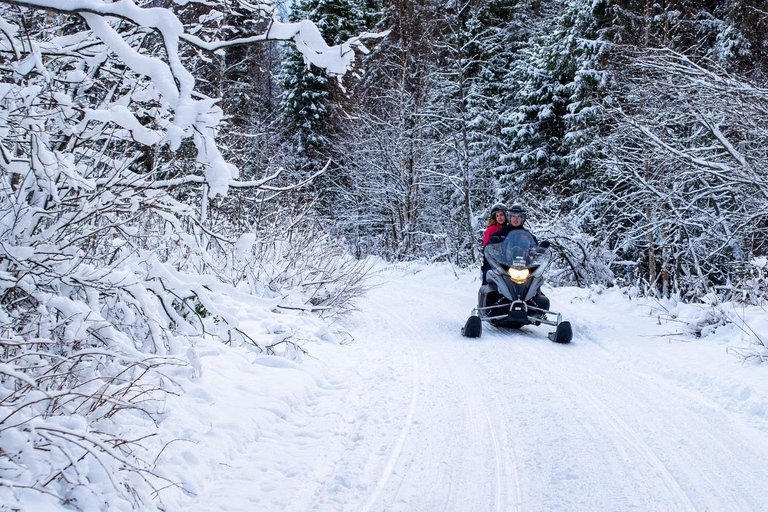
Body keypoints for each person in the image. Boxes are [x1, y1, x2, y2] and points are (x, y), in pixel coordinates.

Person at [484, 203, 550, 312]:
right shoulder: (501, 233)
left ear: (522, 218)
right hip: (505, 265)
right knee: (493, 278)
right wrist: (493, 245)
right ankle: (492, 307)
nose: (515, 219)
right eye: (513, 216)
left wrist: (540, 250)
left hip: (524, 266)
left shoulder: (527, 235)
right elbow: (490, 247)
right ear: (509, 217)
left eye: (518, 217)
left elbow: (534, 248)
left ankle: (535, 307)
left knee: (536, 281)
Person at [481, 204, 508, 284]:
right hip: (494, 261)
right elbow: (486, 247)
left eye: (501, 215)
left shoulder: (510, 227)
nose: (500, 217)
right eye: (497, 216)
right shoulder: (491, 229)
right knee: (488, 276)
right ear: (494, 218)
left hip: (510, 260)